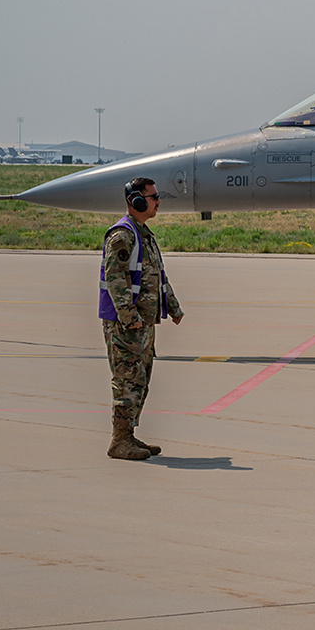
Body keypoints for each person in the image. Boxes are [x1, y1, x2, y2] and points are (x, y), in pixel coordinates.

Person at [99, 177, 184, 460]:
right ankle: (119, 441)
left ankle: (129, 435)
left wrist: (172, 306)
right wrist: (128, 316)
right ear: (136, 201)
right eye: (153, 197)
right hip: (127, 324)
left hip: (142, 323)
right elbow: (115, 279)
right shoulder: (122, 235)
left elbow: (157, 276)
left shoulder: (143, 234)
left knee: (140, 380)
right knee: (127, 380)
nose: (158, 201)